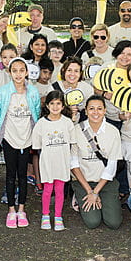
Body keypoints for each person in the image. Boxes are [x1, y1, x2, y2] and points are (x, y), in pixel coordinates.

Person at [0, 58, 40, 228]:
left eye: (22, 70)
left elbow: (36, 114)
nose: (18, 74)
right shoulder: (4, 92)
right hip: (9, 139)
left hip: (26, 139)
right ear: (10, 72)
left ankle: (22, 209)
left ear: (27, 72)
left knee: (23, 175)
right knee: (10, 175)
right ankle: (11, 210)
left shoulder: (33, 92)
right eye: (15, 70)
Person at [70, 95, 123, 229]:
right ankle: (78, 196)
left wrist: (96, 192)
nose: (95, 112)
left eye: (99, 108)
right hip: (83, 181)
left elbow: (111, 167)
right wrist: (89, 191)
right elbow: (73, 164)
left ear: (105, 110)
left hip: (105, 181)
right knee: (93, 222)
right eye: (91, 109)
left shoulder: (113, 132)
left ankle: (104, 198)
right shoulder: (76, 130)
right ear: (86, 111)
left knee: (114, 223)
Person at [32, 90, 75, 231]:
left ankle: (58, 216)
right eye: (52, 103)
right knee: (47, 190)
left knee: (60, 189)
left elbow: (72, 144)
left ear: (63, 106)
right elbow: (37, 147)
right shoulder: (41, 124)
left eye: (58, 103)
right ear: (47, 106)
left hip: (62, 163)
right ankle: (45, 215)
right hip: (47, 163)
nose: (55, 107)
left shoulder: (67, 123)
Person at [53, 57, 94, 122]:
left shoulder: (88, 89)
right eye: (69, 70)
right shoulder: (54, 88)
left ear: (80, 73)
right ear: (63, 70)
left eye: (76, 71)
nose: (72, 74)